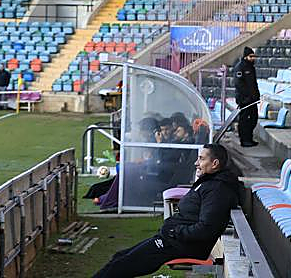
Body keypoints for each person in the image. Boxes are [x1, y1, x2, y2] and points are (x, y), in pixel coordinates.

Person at [92, 144, 242, 278]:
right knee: (119, 258)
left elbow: (206, 229)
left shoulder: (217, 190)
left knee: (119, 265)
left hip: (180, 245)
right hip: (172, 240)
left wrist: (175, 232)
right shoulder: (210, 183)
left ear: (215, 164)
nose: (196, 163)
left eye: (201, 159)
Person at [232, 47, 259, 148]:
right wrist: (247, 96)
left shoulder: (251, 67)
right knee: (244, 120)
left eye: (253, 56)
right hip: (244, 99)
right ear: (245, 57)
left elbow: (253, 84)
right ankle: (244, 140)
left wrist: (256, 95)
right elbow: (239, 84)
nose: (253, 58)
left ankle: (249, 138)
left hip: (252, 99)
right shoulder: (240, 67)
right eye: (251, 56)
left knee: (253, 119)